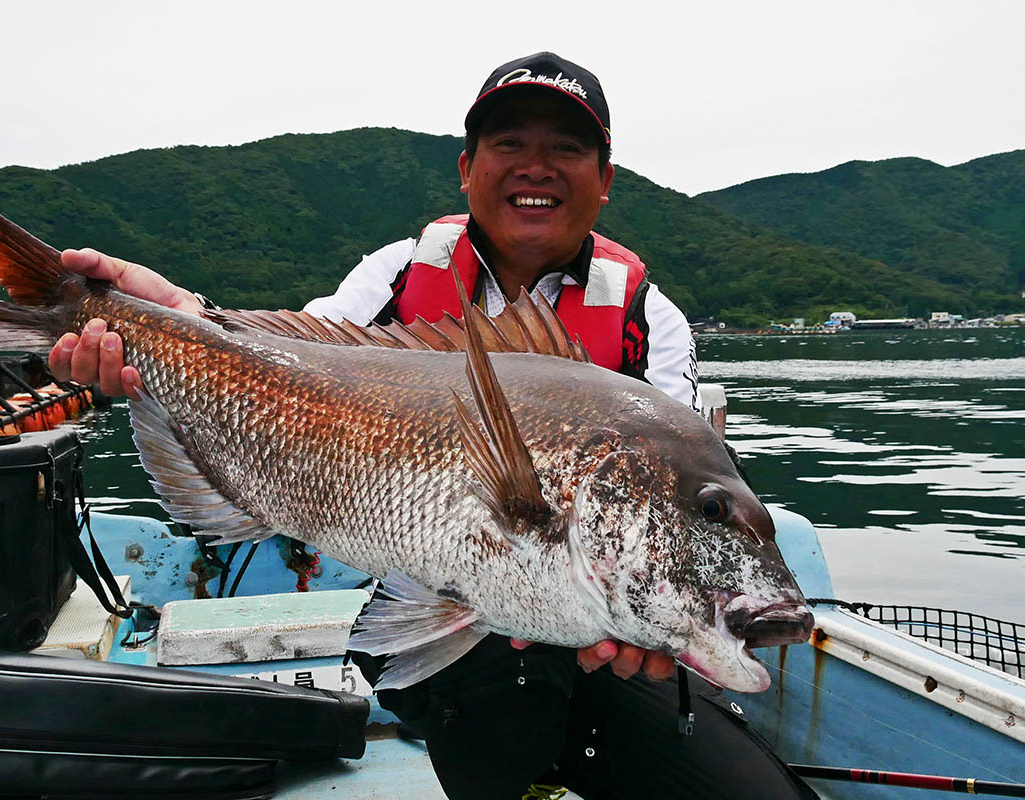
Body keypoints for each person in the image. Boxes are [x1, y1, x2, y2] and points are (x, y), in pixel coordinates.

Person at [49, 52, 815, 800]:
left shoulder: (650, 317)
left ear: (605, 178)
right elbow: (276, 363)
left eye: (566, 147)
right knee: (508, 696)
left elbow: (683, 479)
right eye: (509, 143)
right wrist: (174, 319)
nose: (536, 167)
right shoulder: (397, 272)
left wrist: (663, 614)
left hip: (603, 627)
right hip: (433, 605)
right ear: (467, 168)